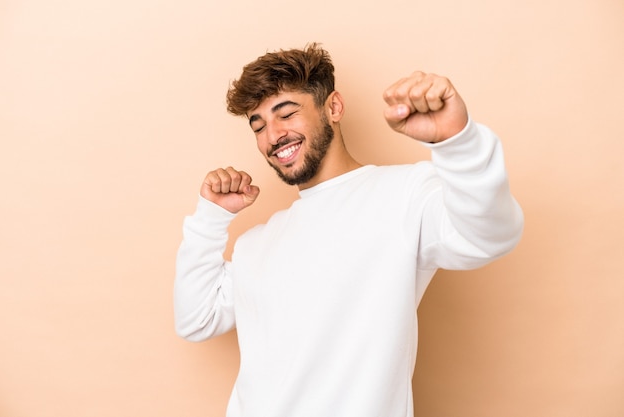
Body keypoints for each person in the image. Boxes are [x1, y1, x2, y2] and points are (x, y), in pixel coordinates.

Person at [174, 43, 524, 417]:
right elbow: (196, 319)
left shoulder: (403, 195)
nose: (272, 136)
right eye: (258, 125)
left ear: (333, 107)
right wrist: (211, 218)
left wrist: (458, 143)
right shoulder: (256, 243)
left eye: (286, 114)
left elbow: (490, 235)